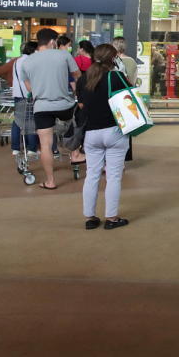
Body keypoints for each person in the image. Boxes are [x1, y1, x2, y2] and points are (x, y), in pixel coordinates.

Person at [77, 44, 129, 230]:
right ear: (113, 59)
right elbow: (130, 96)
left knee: (92, 175)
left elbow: (81, 105)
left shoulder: (84, 78)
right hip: (114, 131)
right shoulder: (116, 77)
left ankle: (90, 218)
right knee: (113, 176)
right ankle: (112, 218)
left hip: (91, 133)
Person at [20, 28, 81, 190]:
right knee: (80, 121)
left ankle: (50, 181)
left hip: (41, 107)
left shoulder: (26, 62)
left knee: (45, 145)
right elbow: (77, 76)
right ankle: (75, 153)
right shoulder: (64, 55)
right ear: (53, 42)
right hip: (65, 105)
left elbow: (30, 89)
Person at [9, 41, 39, 155]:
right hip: (27, 95)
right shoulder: (30, 61)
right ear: (33, 50)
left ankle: (15, 148)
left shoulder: (17, 61)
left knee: (17, 121)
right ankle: (31, 148)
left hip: (18, 94)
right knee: (30, 121)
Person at [112, 36, 137, 162]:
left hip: (114, 97)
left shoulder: (112, 62)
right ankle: (125, 156)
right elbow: (134, 81)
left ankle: (114, 159)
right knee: (126, 127)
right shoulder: (132, 61)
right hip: (128, 97)